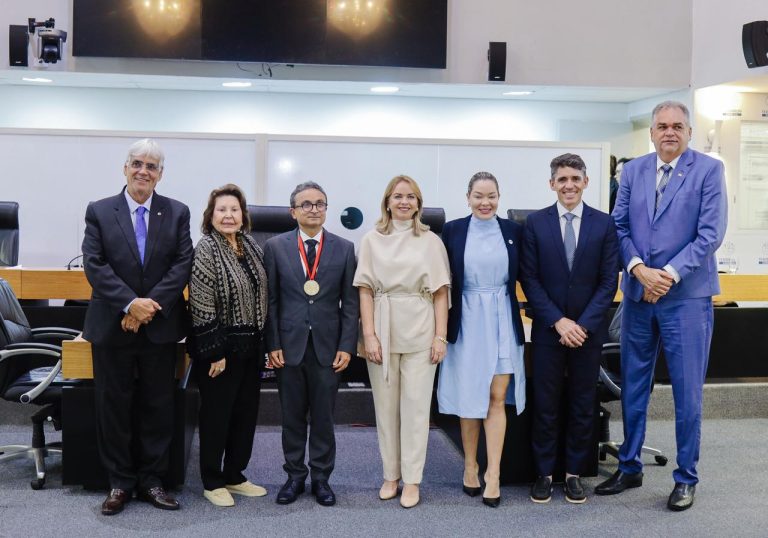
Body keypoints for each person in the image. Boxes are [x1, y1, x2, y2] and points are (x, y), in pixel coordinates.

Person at [595, 101, 727, 511]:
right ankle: (630, 465)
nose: (669, 132)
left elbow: (710, 234)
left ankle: (686, 477)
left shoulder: (707, 170)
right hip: (637, 296)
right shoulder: (632, 171)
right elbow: (617, 226)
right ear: (651, 133)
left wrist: (665, 274)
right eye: (662, 126)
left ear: (688, 132)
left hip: (685, 299)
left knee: (687, 394)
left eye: (677, 126)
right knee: (634, 386)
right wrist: (637, 269)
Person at [81, 138, 193, 515]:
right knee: (113, 406)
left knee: (158, 406)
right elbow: (95, 265)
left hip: (159, 327)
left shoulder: (177, 212)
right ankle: (119, 483)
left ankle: (152, 481)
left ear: (161, 175)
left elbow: (181, 265)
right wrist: (130, 304)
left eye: (151, 166)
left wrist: (147, 308)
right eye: (137, 163)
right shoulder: (99, 210)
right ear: (125, 168)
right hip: (113, 327)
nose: (143, 170)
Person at [522, 153, 618, 504]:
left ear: (586, 182)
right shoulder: (535, 224)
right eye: (562, 179)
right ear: (552, 184)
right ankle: (545, 474)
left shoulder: (604, 224)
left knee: (582, 404)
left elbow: (609, 282)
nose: (569, 185)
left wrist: (582, 325)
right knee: (546, 404)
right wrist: (559, 321)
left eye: (575, 179)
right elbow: (529, 280)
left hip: (588, 333)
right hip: (550, 331)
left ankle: (574, 473)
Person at [354, 175, 450, 509]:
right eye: (398, 196)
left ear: (419, 203)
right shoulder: (371, 239)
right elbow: (364, 289)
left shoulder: (430, 240)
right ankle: (390, 475)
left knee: (416, 409)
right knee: (386, 408)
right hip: (382, 324)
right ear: (387, 201)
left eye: (411, 197)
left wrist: (440, 337)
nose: (404, 202)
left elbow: (441, 293)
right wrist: (369, 335)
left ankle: (412, 480)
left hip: (421, 327)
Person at [263, 181, 359, 507]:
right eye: (306, 204)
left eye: (320, 203)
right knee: (291, 417)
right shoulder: (274, 247)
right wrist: (272, 342)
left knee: (323, 417)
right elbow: (271, 300)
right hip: (288, 346)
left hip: (328, 348)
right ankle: (293, 476)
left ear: (326, 209)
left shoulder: (345, 249)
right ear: (293, 211)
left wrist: (347, 346)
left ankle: (321, 479)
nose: (314, 209)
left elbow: (351, 303)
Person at [436, 171, 526, 508]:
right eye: (478, 196)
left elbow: (526, 276)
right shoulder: (453, 230)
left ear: (499, 197)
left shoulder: (514, 231)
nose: (485, 203)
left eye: (491, 196)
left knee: (496, 395)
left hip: (502, 314)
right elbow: (442, 279)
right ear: (468, 197)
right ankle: (470, 465)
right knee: (469, 393)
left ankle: (494, 473)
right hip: (468, 317)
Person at [188, 184, 269, 507]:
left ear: (243, 215)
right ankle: (212, 479)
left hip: (251, 349)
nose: (229, 215)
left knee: (245, 415)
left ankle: (235, 474)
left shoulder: (250, 245)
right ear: (211, 216)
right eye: (222, 210)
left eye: (234, 209)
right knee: (217, 416)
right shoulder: (206, 248)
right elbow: (201, 302)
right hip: (220, 352)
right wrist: (214, 351)